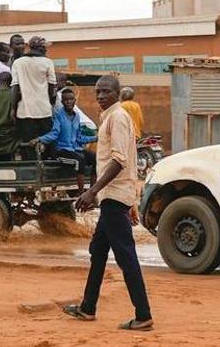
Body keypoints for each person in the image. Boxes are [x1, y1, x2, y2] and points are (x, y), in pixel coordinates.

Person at [62, 75, 152, 331]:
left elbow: (120, 160)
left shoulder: (118, 118)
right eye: (98, 92)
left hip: (113, 197)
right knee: (98, 251)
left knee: (126, 256)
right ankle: (87, 307)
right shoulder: (109, 118)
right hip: (112, 196)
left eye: (106, 92)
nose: (101, 96)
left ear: (118, 93)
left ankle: (143, 315)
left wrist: (92, 191)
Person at [32, 88, 97, 190]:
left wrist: (95, 138)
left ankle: (92, 192)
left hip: (75, 149)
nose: (68, 102)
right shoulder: (58, 116)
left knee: (95, 158)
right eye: (66, 100)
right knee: (79, 161)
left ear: (75, 100)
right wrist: (40, 139)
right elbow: (54, 134)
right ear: (62, 102)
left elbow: (79, 138)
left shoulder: (77, 116)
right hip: (62, 151)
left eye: (71, 99)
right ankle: (81, 194)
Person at [11, 36, 57, 159]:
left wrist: (12, 109)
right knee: (46, 145)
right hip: (44, 111)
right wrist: (51, 104)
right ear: (41, 48)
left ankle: (30, 170)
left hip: (24, 112)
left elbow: (15, 88)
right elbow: (52, 88)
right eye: (45, 48)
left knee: (27, 146)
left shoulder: (18, 62)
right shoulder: (48, 62)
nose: (46, 50)